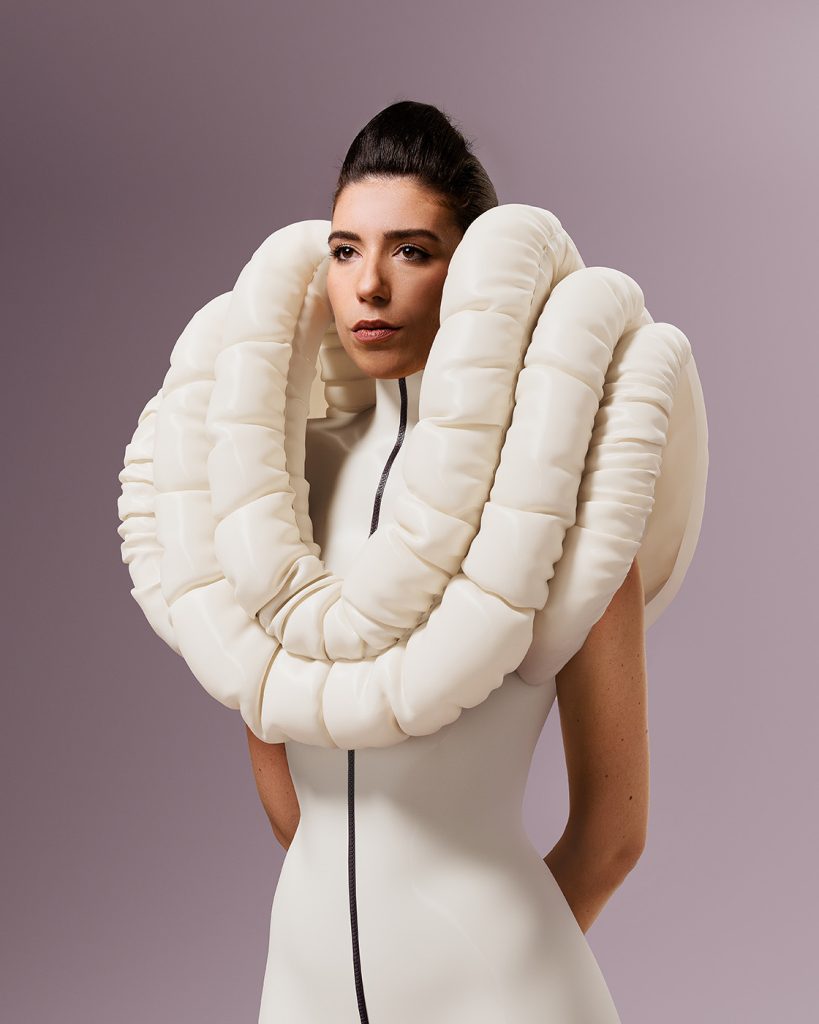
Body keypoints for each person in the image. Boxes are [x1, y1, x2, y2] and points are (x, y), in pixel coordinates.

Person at [245, 99, 645, 1022]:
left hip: (500, 994)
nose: (369, 285)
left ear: (472, 276)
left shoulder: (555, 496)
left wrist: (491, 958)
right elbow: (281, 766)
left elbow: (613, 835)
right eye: (345, 249)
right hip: (302, 989)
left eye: (411, 251)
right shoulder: (282, 493)